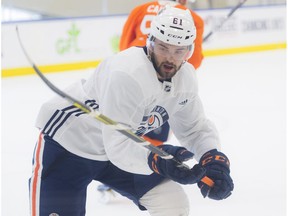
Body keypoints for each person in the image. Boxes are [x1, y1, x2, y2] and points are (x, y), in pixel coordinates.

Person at [29, 6, 234, 216]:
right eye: (164, 47)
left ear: (189, 51)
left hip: (118, 152)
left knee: (172, 204)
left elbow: (195, 129)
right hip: (69, 146)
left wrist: (212, 158)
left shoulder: (186, 79)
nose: (170, 59)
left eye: (178, 50)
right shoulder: (127, 74)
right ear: (151, 42)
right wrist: (158, 161)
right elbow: (117, 145)